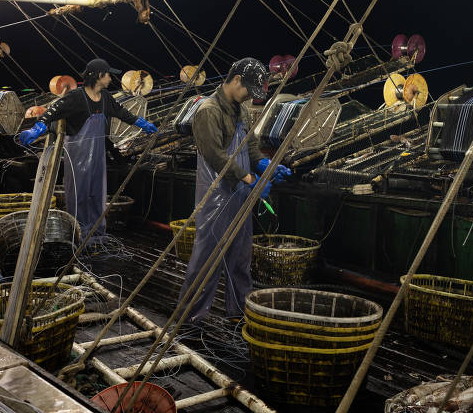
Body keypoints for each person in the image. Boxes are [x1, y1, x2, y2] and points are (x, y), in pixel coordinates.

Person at [179, 57, 290, 324]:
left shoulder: (241, 110)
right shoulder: (208, 110)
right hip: (217, 195)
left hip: (239, 195)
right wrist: (250, 178)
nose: (248, 97)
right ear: (236, 79)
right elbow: (215, 156)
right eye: (247, 91)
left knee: (240, 257)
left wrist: (266, 164)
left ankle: (238, 312)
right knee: (207, 258)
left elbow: (249, 146)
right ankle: (190, 318)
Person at [18, 58, 158, 242]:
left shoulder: (106, 98)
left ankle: (96, 232)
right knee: (79, 194)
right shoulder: (75, 97)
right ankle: (78, 233)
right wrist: (37, 129)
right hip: (77, 156)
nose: (110, 78)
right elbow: (53, 111)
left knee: (97, 194)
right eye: (108, 74)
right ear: (100, 76)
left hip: (98, 156)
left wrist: (141, 123)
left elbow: (122, 112)